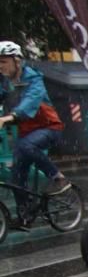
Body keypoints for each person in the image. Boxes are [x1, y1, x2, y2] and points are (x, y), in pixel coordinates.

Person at [0, 40, 71, 228]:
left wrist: (9, 117)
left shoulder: (33, 79)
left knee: (25, 146)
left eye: (3, 61)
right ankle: (25, 215)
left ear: (17, 60)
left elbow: (30, 101)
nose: (0, 67)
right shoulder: (5, 83)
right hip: (26, 132)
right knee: (16, 175)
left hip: (49, 129)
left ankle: (57, 177)